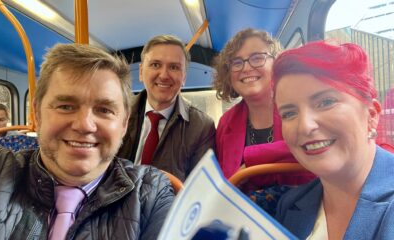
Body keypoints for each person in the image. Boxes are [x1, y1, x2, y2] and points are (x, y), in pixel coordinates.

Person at [0, 44, 174, 239]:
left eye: (104, 110)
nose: (85, 125)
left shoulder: (151, 195)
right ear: (37, 115)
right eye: (65, 106)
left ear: (123, 123)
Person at [273, 41, 394, 239]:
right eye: (289, 113)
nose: (305, 126)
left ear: (371, 115)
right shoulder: (289, 205)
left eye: (326, 102)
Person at [212, 28, 313, 187]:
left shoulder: (302, 107)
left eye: (257, 58)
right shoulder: (225, 123)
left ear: (277, 63)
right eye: (237, 62)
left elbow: (313, 146)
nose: (246, 68)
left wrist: (252, 162)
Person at [117, 35, 216, 181]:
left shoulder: (201, 127)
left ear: (184, 78)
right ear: (140, 72)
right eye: (155, 65)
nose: (164, 75)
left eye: (174, 67)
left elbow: (198, 187)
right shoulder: (117, 113)